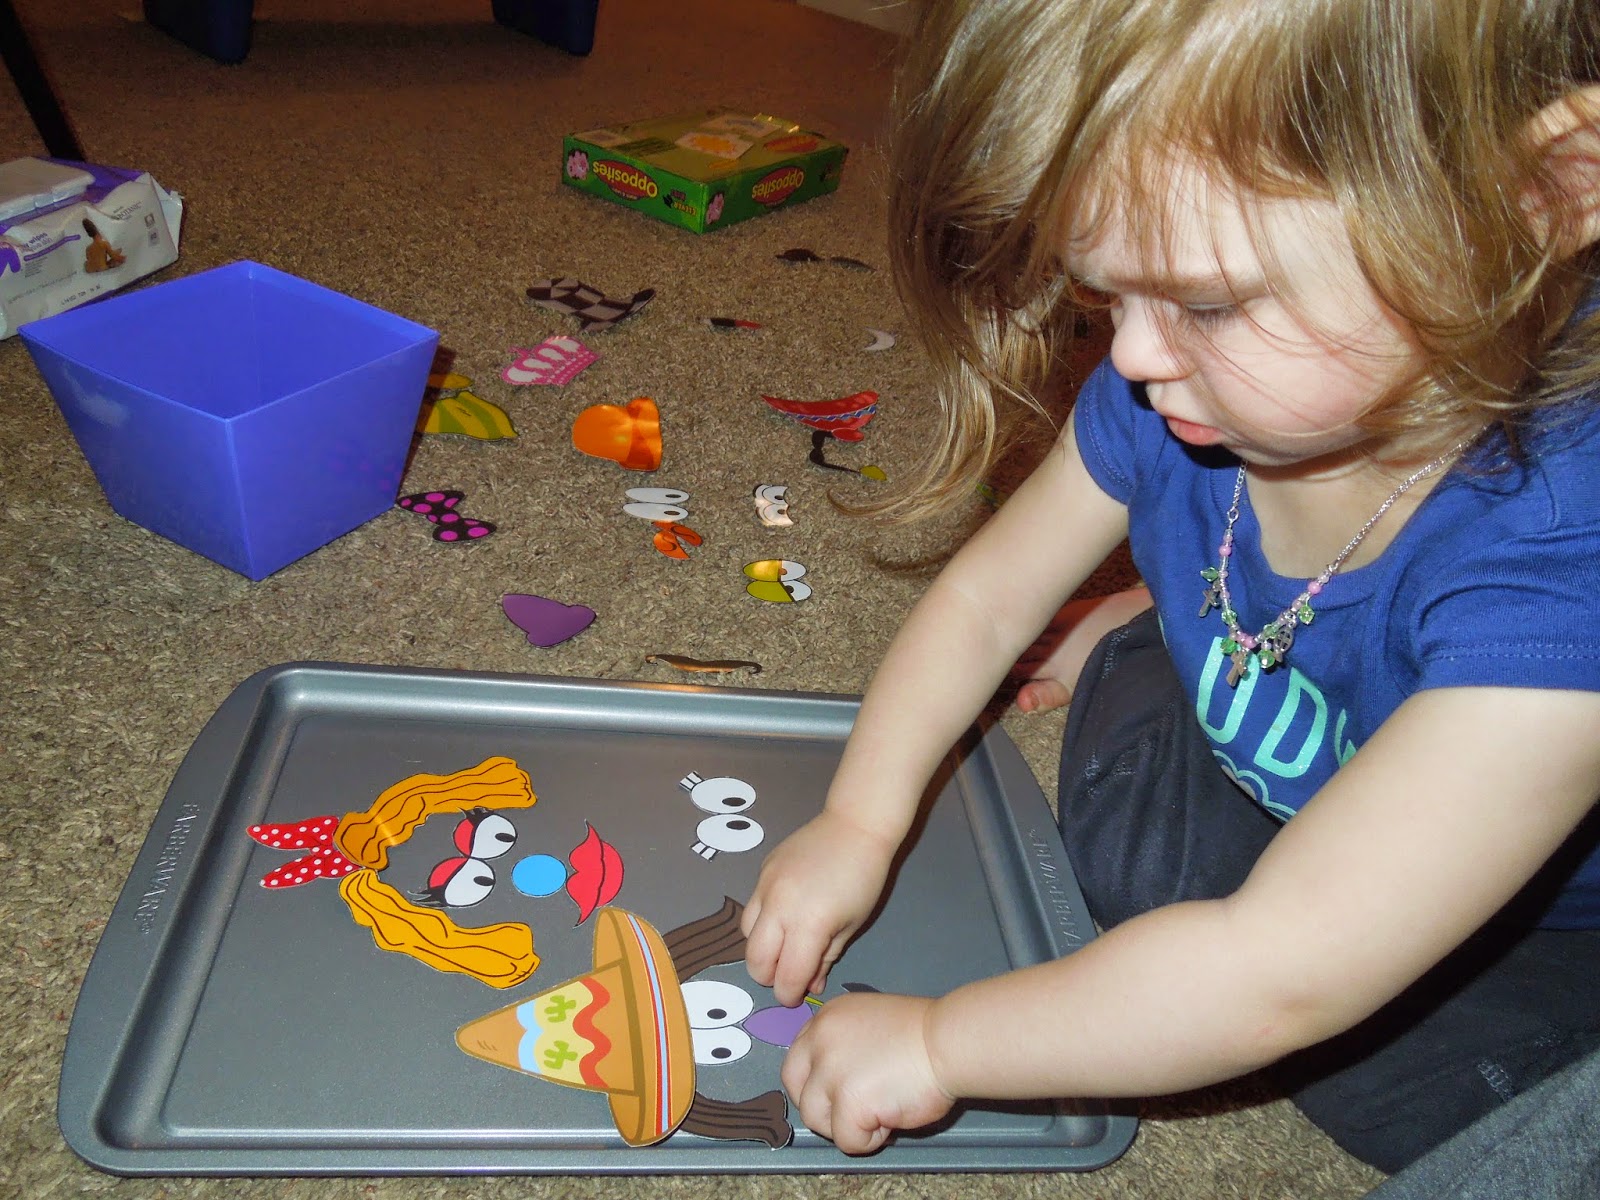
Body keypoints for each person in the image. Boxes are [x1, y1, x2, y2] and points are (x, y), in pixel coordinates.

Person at [739, 0, 1600, 1172]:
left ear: (1539, 195)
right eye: (1106, 296)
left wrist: (944, 1044)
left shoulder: (1563, 556)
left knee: (1404, 1090)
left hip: (1536, 916)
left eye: (1204, 303)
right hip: (1291, 731)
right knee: (1127, 866)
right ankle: (1174, 610)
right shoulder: (1183, 382)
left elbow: (1282, 972)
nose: (1131, 358)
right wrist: (858, 820)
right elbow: (987, 603)